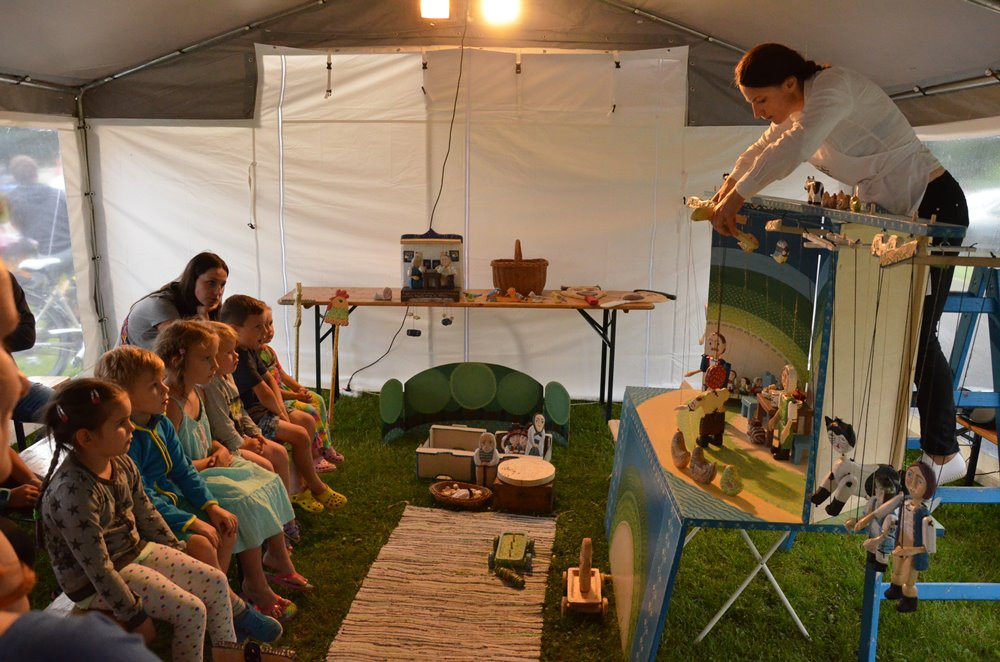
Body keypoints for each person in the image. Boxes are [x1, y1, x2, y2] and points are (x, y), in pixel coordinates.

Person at [710, 43, 969, 483]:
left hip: (934, 206)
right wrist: (724, 192)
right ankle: (866, 439)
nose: (757, 112)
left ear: (790, 83)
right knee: (890, 330)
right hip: (897, 218)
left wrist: (734, 199)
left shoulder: (833, 89)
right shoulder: (796, 109)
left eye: (761, 100)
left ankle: (945, 455)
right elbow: (763, 148)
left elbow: (793, 149)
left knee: (919, 335)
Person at [37, 379, 237, 662]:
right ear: (85, 438)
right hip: (94, 581)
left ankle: (227, 655)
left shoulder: (121, 461)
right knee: (191, 610)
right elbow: (97, 567)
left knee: (216, 580)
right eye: (121, 423)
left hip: (133, 551)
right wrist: (132, 613)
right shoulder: (73, 493)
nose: (132, 428)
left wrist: (175, 551)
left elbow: (147, 513)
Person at [94, 345, 284, 642]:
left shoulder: (161, 424)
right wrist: (192, 522)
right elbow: (142, 498)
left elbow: (184, 471)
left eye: (162, 381)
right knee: (203, 543)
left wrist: (211, 507)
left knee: (226, 526)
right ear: (124, 394)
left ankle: (219, 608)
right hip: (147, 518)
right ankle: (230, 611)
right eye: (154, 385)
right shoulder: (124, 441)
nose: (164, 389)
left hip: (171, 502)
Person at [156, 320, 312, 621]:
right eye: (206, 358)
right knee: (242, 500)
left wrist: (218, 448)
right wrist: (210, 460)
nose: (214, 365)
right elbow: (172, 463)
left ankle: (277, 557)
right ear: (178, 359)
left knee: (268, 479)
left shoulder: (195, 392)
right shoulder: (172, 404)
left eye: (216, 357)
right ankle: (255, 583)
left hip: (212, 464)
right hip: (192, 478)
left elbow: (205, 435)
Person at [220, 295, 347, 515]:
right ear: (235, 329)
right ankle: (316, 486)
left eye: (266, 325)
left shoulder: (249, 348)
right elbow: (263, 393)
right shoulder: (239, 353)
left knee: (307, 420)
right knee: (299, 434)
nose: (264, 332)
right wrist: (282, 414)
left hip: (265, 411)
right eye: (257, 326)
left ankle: (299, 487)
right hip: (254, 417)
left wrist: (283, 413)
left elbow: (270, 380)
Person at [200, 321, 302, 545]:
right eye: (229, 352)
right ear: (213, 359)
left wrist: (255, 434)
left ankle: (285, 518)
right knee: (266, 464)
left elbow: (241, 410)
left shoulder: (228, 377)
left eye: (235, 350)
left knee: (279, 454)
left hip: (242, 437)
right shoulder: (211, 386)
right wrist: (243, 443)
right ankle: (272, 528)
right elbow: (220, 424)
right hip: (228, 444)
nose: (236, 356)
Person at [258, 304, 344, 472]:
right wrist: (296, 396)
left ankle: (325, 446)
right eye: (263, 326)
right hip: (280, 398)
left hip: (285, 391)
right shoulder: (255, 357)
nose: (269, 330)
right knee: (310, 411)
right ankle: (315, 454)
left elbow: (282, 375)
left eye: (270, 323)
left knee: (317, 399)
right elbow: (271, 390)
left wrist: (299, 388)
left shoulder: (269, 351)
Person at [119, 252, 228, 350]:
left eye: (222, 285)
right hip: (125, 370)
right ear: (193, 280)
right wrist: (204, 319)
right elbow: (185, 349)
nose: (218, 291)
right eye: (211, 283)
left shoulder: (201, 306)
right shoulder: (160, 304)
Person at [5, 272, 54, 425]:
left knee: (67, 410)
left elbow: (26, 335)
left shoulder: (3, 279)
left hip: (10, 384)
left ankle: (46, 448)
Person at [5, 156, 72, 266]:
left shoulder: (11, 200)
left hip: (46, 258)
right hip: (72, 252)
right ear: (36, 173)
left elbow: (17, 228)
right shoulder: (59, 194)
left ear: (14, 177)